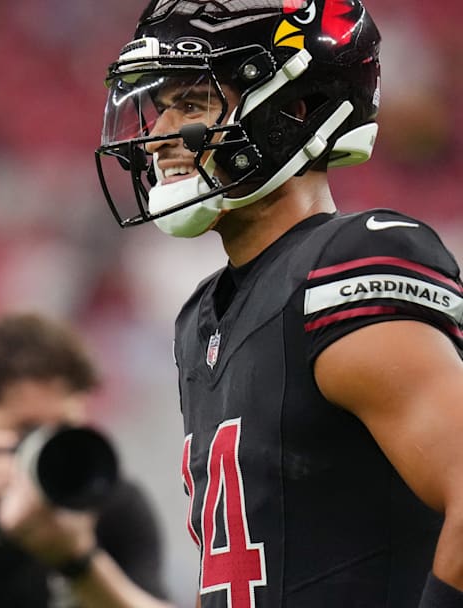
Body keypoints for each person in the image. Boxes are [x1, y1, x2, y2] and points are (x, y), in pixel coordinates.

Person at [94, 1, 463, 606]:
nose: (158, 135)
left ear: (291, 111)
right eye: (160, 107)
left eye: (191, 103)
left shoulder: (346, 265)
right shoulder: (201, 318)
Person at [0, 312, 171, 608]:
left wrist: (79, 561)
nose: (45, 446)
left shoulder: (104, 500)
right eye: (27, 429)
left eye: (62, 430)